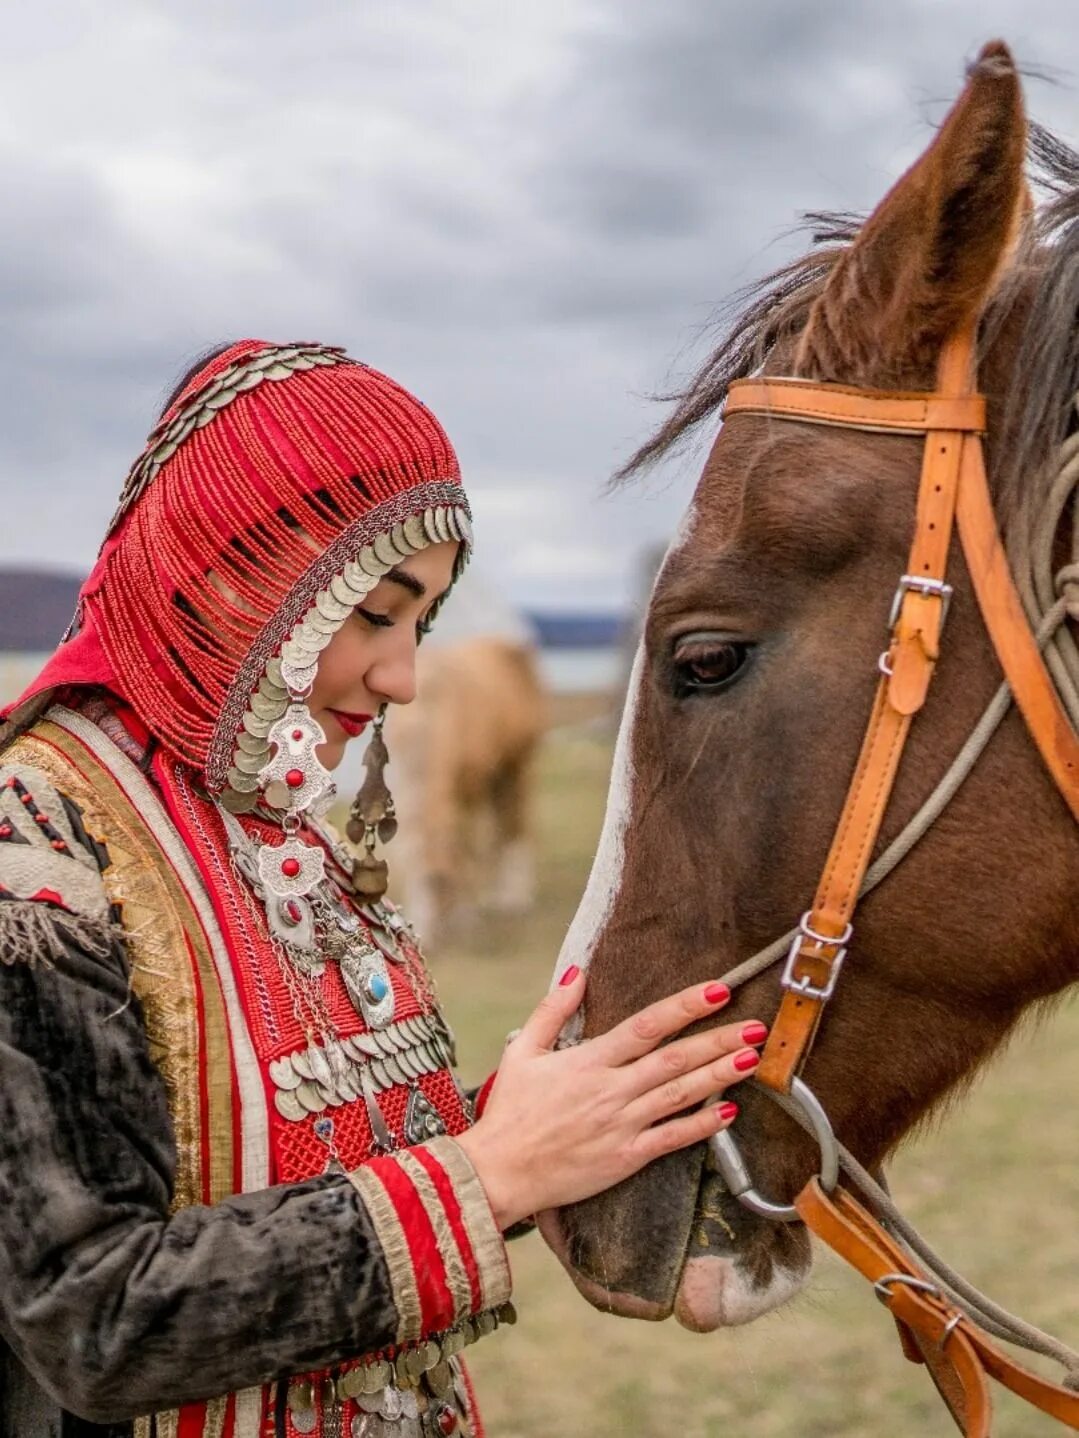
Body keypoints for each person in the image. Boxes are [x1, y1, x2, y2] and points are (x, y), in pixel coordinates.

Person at [0, 340, 765, 1438]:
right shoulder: (41, 850)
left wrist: (515, 1122)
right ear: (236, 568)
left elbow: (273, 1172)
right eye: (373, 613)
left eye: (422, 623)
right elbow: (93, 1318)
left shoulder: (258, 814)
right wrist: (484, 1175)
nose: (403, 675)